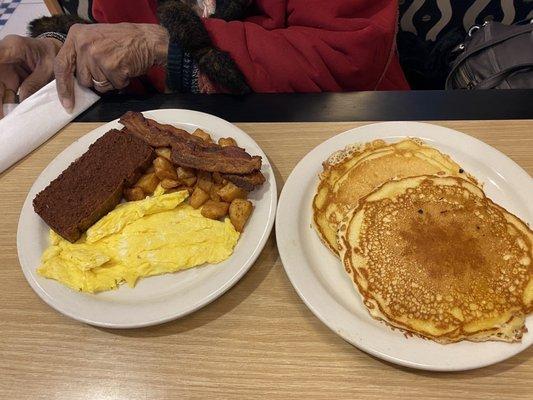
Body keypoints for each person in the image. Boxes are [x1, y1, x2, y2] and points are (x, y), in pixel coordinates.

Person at [0, 0, 409, 115]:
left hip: (346, 123)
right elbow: (127, 59)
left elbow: (346, 58)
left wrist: (160, 44)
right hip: (191, 148)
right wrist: (59, 52)